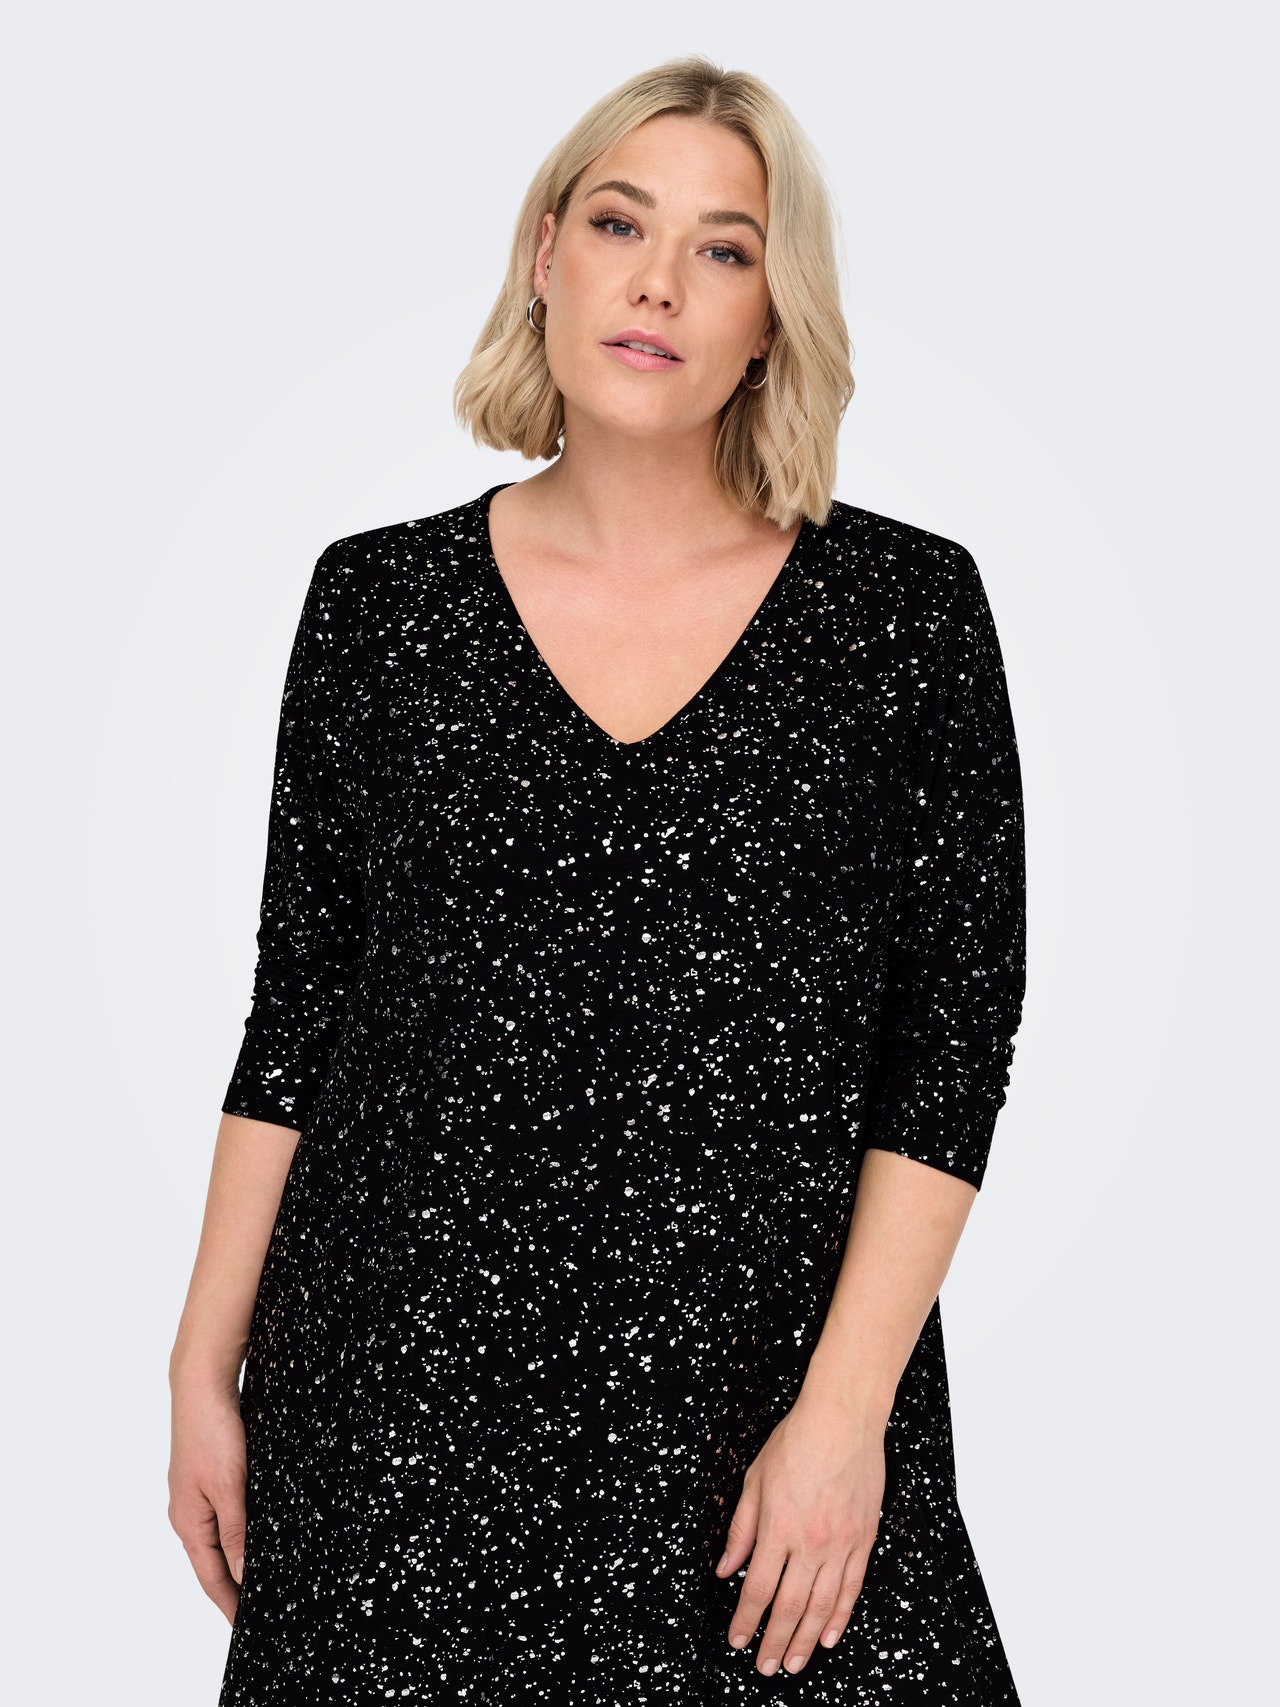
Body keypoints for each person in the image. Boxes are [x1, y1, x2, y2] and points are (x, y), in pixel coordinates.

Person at [168, 54, 1028, 1705]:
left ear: (772, 316)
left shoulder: (904, 618)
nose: (659, 283)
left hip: (765, 1410)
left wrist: (846, 1416)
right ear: (544, 256)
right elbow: (300, 1011)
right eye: (622, 224)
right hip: (393, 1401)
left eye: (724, 247)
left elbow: (953, 1038)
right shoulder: (379, 608)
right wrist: (204, 1367)